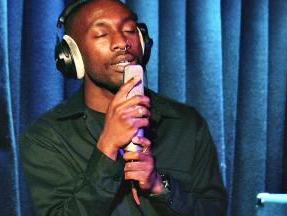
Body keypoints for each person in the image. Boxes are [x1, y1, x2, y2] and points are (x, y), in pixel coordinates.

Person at [19, 0, 228, 215]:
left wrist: (160, 186)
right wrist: (107, 149)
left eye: (129, 30)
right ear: (72, 54)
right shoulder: (45, 137)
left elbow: (214, 210)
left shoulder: (186, 123)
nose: (122, 42)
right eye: (101, 34)